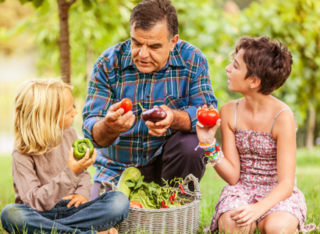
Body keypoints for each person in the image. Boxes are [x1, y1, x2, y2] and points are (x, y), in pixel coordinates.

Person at [82, 0, 217, 199]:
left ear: (173, 42)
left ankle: (176, 204)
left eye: (154, 46)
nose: (143, 54)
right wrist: (109, 125)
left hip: (167, 166)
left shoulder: (193, 60)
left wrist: (173, 118)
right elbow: (91, 132)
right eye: (136, 43)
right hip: (117, 168)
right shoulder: (107, 64)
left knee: (191, 145)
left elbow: (207, 116)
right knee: (102, 223)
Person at [195, 36, 317, 233]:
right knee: (232, 226)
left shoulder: (282, 117)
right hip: (241, 190)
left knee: (275, 228)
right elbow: (233, 177)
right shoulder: (228, 112)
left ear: (253, 81)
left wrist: (258, 209)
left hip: (277, 192)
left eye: (235, 66)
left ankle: (276, 220)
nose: (227, 68)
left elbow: (286, 184)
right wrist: (209, 144)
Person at [0, 79, 129, 234]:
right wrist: (70, 172)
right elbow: (34, 202)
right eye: (69, 111)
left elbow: (83, 174)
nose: (75, 112)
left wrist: (82, 193)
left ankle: (57, 230)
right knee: (11, 214)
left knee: (119, 201)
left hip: (74, 210)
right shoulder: (21, 152)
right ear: (48, 118)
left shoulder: (70, 134)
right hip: (41, 213)